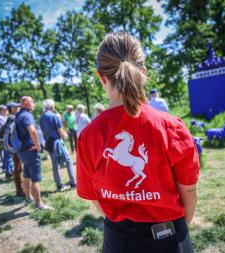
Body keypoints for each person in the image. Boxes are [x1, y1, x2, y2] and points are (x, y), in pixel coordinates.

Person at [77, 32, 199, 253]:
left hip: (118, 240)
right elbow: (188, 193)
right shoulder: (172, 127)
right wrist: (180, 230)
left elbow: (93, 197)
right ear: (143, 72)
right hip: (170, 237)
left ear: (101, 77)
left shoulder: (88, 136)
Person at [15, 96, 52, 210]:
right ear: (25, 103)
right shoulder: (27, 115)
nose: (34, 104)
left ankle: (28, 197)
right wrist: (37, 144)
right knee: (35, 179)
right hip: (30, 150)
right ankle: (39, 204)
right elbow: (32, 130)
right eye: (32, 102)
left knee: (26, 175)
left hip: (22, 151)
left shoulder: (18, 115)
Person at [40, 99, 77, 192]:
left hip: (48, 142)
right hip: (56, 141)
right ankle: (73, 183)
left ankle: (59, 186)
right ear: (52, 106)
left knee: (55, 165)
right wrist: (64, 141)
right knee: (68, 161)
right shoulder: (53, 115)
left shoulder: (42, 117)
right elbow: (60, 131)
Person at [6, 102, 25, 196]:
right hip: (17, 147)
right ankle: (19, 189)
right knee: (18, 168)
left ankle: (20, 188)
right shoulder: (13, 118)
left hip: (13, 147)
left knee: (18, 167)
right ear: (12, 109)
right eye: (17, 107)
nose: (19, 108)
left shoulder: (10, 118)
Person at [0, 105, 13, 176]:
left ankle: (10, 169)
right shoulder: (0, 118)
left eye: (6, 110)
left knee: (9, 155)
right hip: (4, 138)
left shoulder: (5, 117)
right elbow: (6, 126)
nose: (6, 111)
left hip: (8, 137)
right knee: (7, 155)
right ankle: (8, 171)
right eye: (4, 110)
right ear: (0, 111)